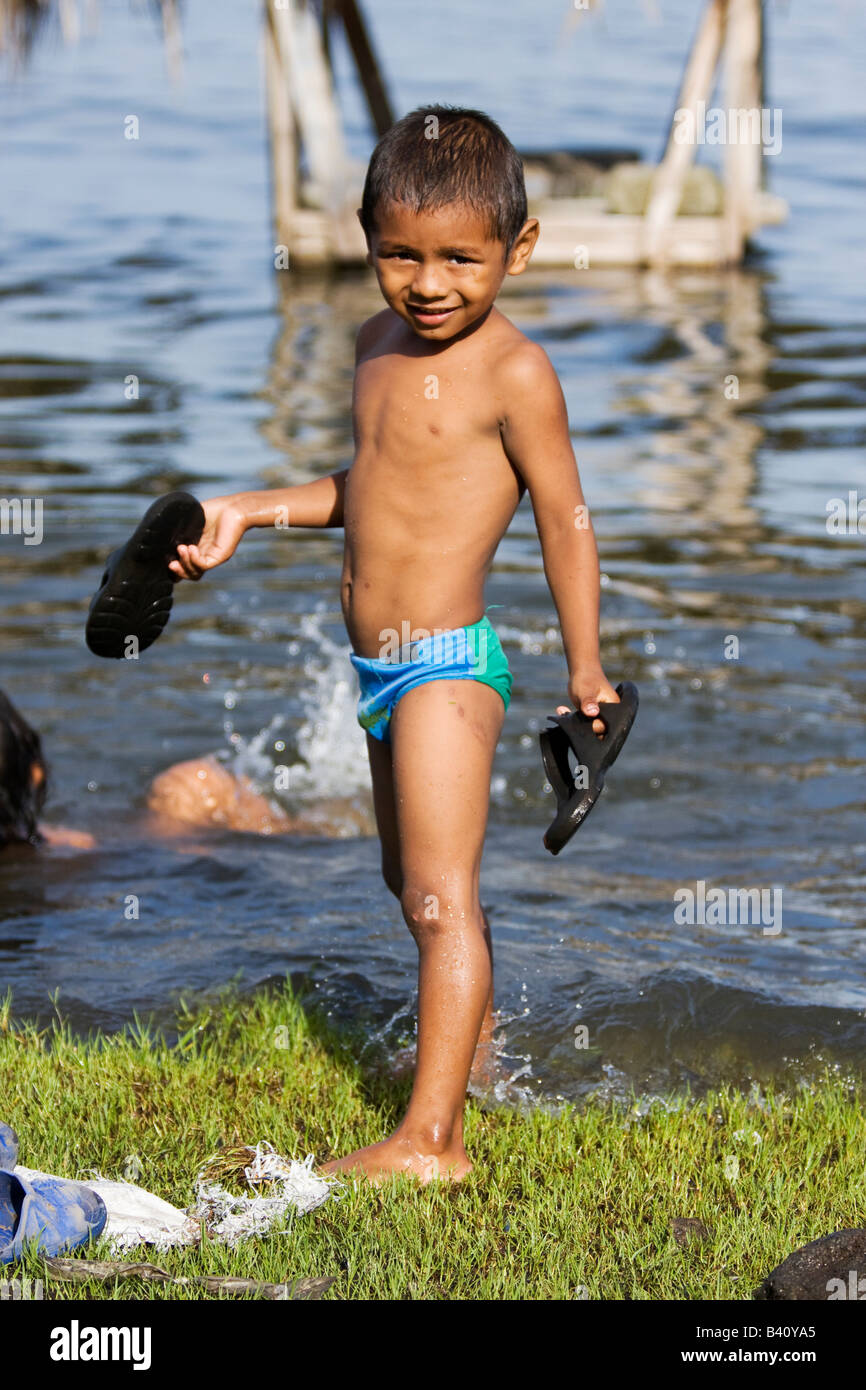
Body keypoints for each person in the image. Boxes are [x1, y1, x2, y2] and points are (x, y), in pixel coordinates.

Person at [168, 106, 621, 1183]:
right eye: (399, 255)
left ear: (519, 248)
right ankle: (476, 1066)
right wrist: (242, 509)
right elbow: (361, 492)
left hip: (447, 667)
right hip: (378, 671)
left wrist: (585, 665)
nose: (427, 284)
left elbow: (565, 518)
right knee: (405, 881)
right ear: (365, 238)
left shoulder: (515, 373)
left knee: (439, 893)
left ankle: (431, 1142)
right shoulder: (373, 347)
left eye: (460, 258)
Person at [0, 686, 328, 849]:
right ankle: (333, 829)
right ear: (35, 773)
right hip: (158, 856)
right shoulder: (77, 856)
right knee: (196, 784)